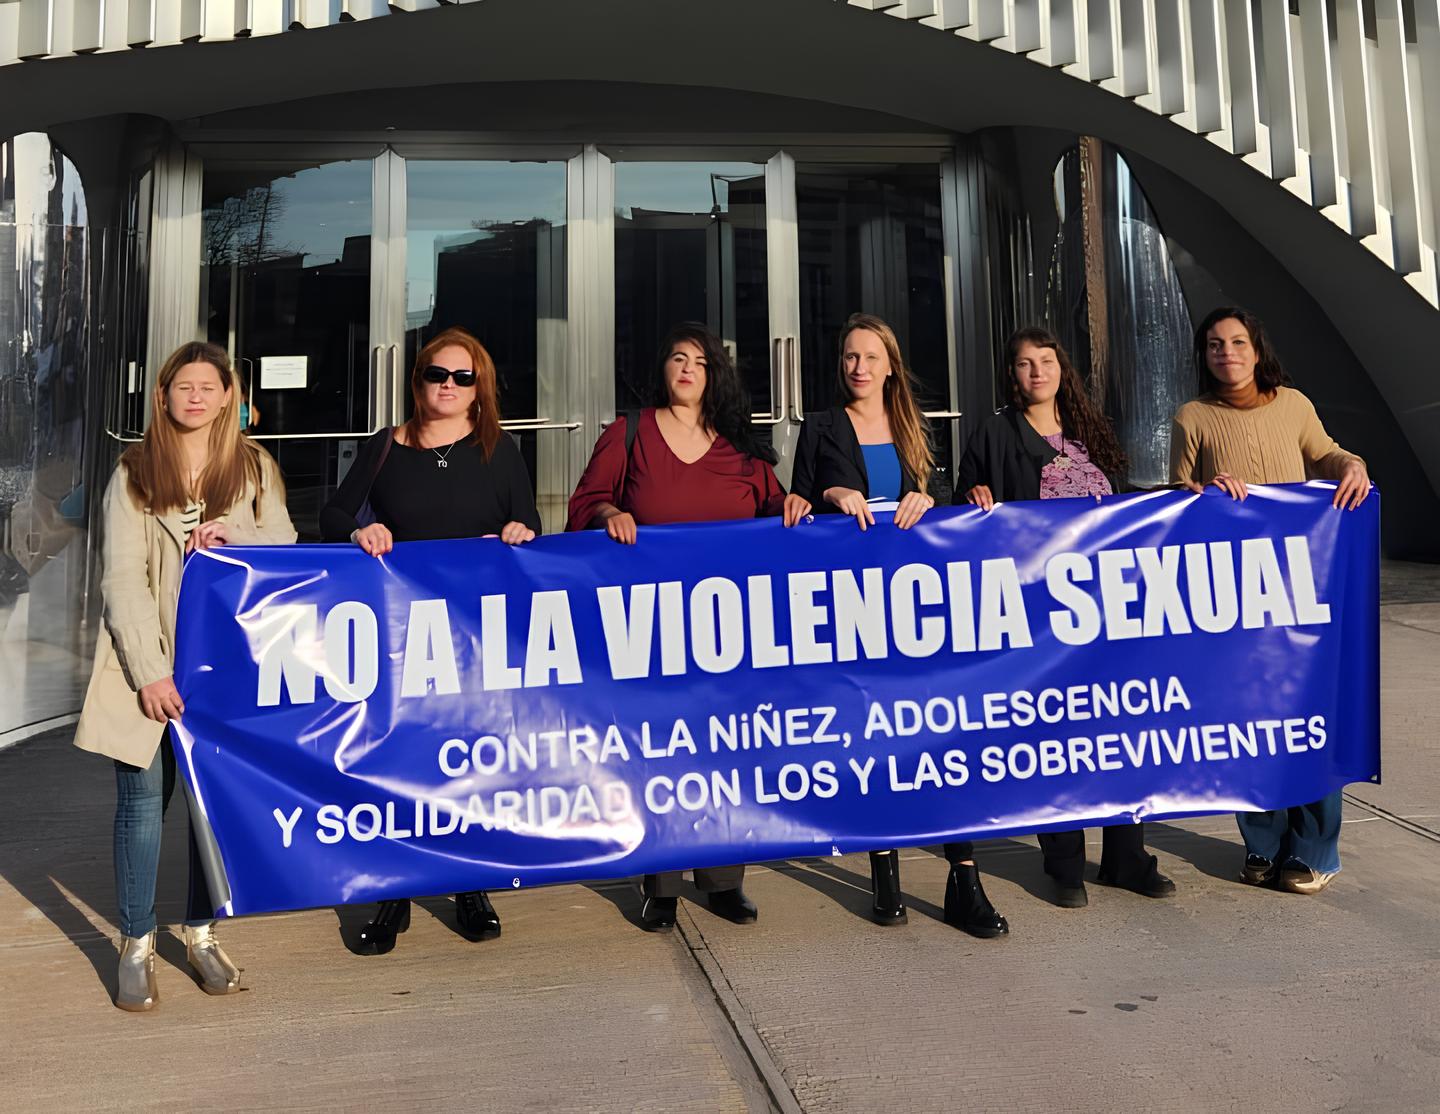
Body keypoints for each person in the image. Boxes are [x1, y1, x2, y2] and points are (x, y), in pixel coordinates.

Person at [73, 341, 297, 1011]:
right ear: (163, 395)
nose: (195, 397)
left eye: (208, 386)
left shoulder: (254, 467)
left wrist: (236, 536)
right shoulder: (134, 471)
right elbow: (122, 580)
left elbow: (286, 545)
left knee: (212, 809)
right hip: (149, 668)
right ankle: (136, 943)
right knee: (143, 805)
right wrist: (149, 673)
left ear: (229, 396)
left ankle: (201, 935)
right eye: (183, 386)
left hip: (227, 673)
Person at [319, 326, 541, 954]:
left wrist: (520, 532)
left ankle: (468, 884)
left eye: (462, 377)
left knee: (467, 758)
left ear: (479, 388)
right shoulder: (386, 446)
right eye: (436, 374)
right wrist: (360, 532)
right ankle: (395, 890)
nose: (448, 385)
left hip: (475, 633)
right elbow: (333, 514)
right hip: (403, 631)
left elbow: (529, 520)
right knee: (404, 758)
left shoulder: (498, 448)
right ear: (417, 382)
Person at [787, 312, 1008, 939]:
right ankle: (884, 869)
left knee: (942, 738)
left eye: (870, 357)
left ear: (890, 366)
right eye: (850, 357)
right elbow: (795, 504)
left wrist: (935, 499)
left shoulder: (914, 427)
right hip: (853, 609)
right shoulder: (821, 426)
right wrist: (826, 496)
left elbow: (941, 504)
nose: (858, 367)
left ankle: (964, 879)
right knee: (873, 740)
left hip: (916, 609)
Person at [568, 322, 793, 932]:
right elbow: (584, 502)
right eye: (677, 358)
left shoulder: (740, 446)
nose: (688, 368)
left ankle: (725, 881)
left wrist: (794, 506)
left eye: (700, 360)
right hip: (650, 626)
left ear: (715, 375)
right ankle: (661, 882)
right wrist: (611, 511)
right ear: (662, 370)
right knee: (662, 752)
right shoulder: (630, 432)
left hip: (729, 627)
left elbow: (775, 507)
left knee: (727, 750)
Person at [959, 325, 1176, 909]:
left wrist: (1184, 495)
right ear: (1011, 374)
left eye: (1047, 361)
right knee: (1055, 736)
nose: (1037, 372)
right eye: (1025, 363)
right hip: (1039, 613)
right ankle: (1064, 864)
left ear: (1062, 369)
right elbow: (961, 512)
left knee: (1118, 732)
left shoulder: (1089, 428)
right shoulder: (995, 434)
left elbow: (1126, 504)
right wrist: (975, 499)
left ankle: (1126, 855)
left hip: (1106, 608)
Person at [1171, 306, 1370, 895]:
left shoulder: (1294, 405)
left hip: (1301, 588)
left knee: (1310, 717)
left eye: (1237, 342)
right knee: (1248, 718)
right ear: (1204, 356)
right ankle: (1261, 841)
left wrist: (1352, 464)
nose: (1226, 353)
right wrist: (1204, 493)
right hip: (1232, 598)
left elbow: (1327, 453)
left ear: (1257, 350)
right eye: (1214, 344)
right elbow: (1174, 495)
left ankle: (1313, 849)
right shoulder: (1192, 417)